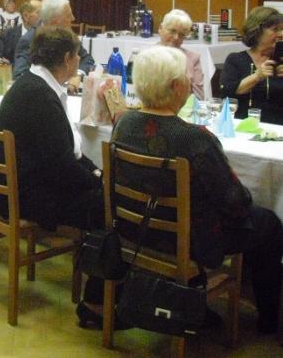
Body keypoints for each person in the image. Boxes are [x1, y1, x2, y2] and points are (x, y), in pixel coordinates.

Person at [113, 45, 283, 333]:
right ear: (176, 86)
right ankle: (268, 321)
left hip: (136, 229)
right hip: (190, 239)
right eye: (186, 78)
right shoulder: (194, 138)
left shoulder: (124, 123)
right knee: (269, 223)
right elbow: (235, 201)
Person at [0, 26, 105, 325]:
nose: (78, 60)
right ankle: (96, 303)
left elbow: (67, 155)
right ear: (67, 59)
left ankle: (103, 294)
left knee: (103, 196)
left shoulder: (35, 84)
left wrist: (95, 173)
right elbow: (61, 166)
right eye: (77, 55)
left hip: (22, 184)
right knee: (109, 207)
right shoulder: (39, 95)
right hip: (20, 196)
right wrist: (99, 182)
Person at [13, 0, 95, 88]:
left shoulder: (69, 36)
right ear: (55, 22)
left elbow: (87, 59)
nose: (73, 18)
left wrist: (77, 75)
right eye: (68, 15)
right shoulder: (29, 39)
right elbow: (20, 74)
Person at [220, 6, 283, 124]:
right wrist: (257, 76)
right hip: (242, 126)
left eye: (282, 29)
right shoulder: (235, 60)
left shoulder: (281, 60)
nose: (281, 34)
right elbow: (227, 94)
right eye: (275, 29)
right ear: (258, 31)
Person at [157, 9, 205, 99]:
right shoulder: (146, 57)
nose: (176, 37)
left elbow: (199, 98)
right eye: (172, 31)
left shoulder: (193, 59)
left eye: (182, 34)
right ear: (160, 29)